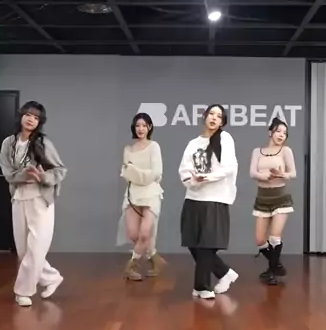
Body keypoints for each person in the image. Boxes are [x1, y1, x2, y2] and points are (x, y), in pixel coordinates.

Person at [0, 101, 68, 307]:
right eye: (28, 115)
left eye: (36, 117)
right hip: (19, 199)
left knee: (36, 249)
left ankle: (23, 291)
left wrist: (42, 177)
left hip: (40, 200)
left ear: (40, 122)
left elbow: (60, 170)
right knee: (23, 251)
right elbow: (7, 172)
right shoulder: (8, 143)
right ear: (21, 116)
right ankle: (51, 278)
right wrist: (24, 175)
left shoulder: (43, 143)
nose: (31, 119)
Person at [178, 104, 240, 300]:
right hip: (193, 197)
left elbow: (229, 167)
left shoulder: (225, 138)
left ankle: (202, 286)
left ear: (222, 122)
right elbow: (184, 169)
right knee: (193, 242)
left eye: (219, 116)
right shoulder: (193, 143)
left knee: (206, 244)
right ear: (204, 116)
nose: (214, 118)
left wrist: (208, 177)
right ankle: (224, 272)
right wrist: (193, 181)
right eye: (211, 114)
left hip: (215, 198)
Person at [116, 113, 166, 280]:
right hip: (133, 194)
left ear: (149, 127)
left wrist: (136, 172)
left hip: (151, 193)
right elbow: (126, 174)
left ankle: (131, 265)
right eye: (138, 125)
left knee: (145, 233)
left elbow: (156, 173)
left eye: (144, 125)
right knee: (134, 235)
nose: (141, 129)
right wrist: (140, 175)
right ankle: (154, 257)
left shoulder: (154, 147)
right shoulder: (128, 150)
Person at [249, 117, 296, 285]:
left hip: (280, 197)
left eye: (284, 133)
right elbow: (252, 173)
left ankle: (272, 272)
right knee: (260, 240)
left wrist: (282, 174)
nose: (281, 135)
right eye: (278, 131)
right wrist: (265, 176)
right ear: (270, 133)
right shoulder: (257, 151)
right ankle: (277, 265)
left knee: (275, 236)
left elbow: (293, 173)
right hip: (262, 197)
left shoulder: (286, 151)